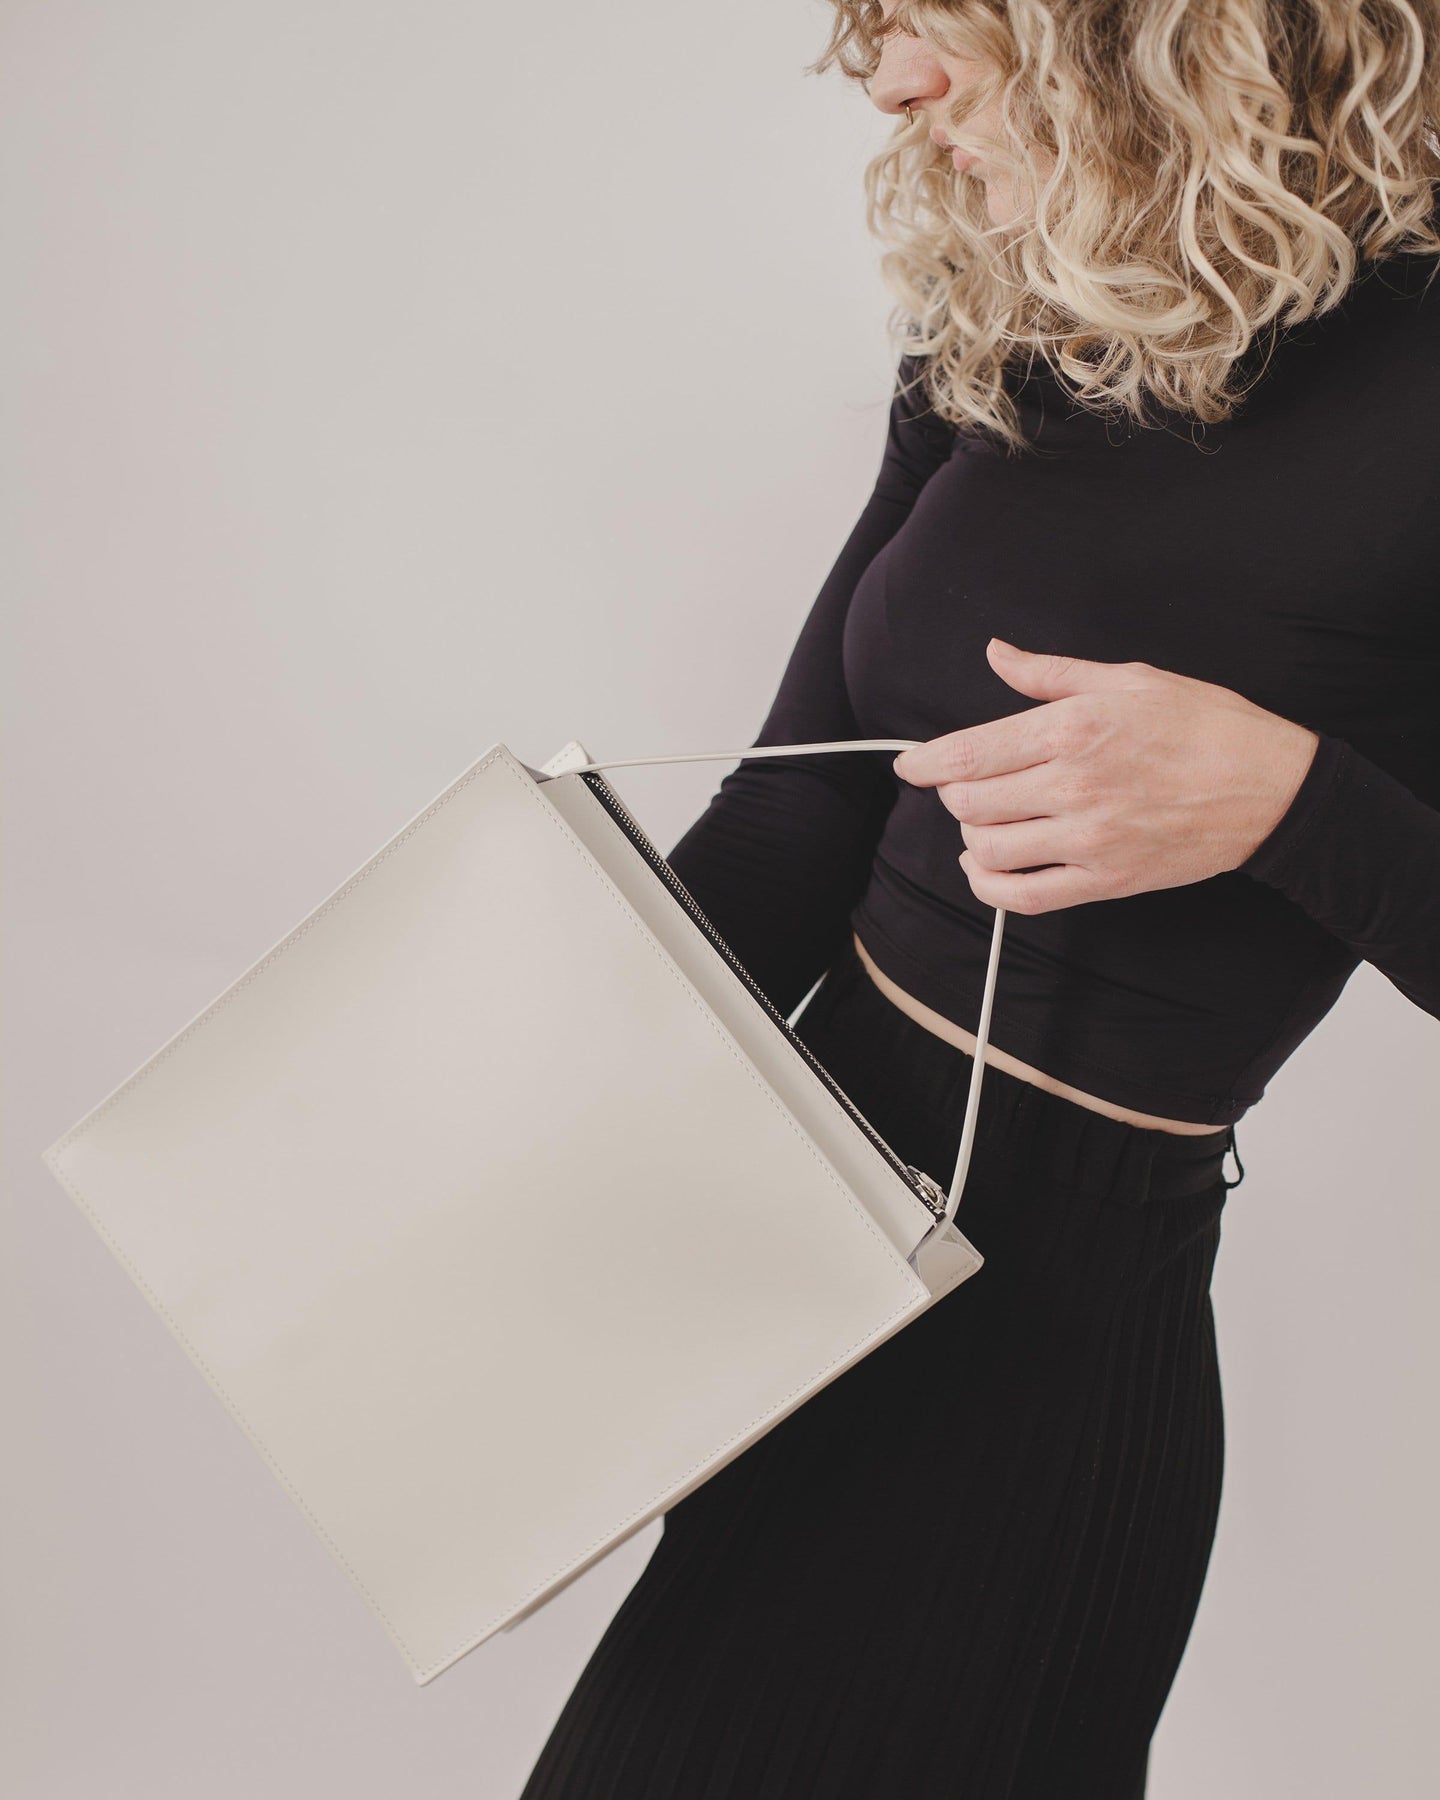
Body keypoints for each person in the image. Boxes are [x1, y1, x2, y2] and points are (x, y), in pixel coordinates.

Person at [518, 2, 1440, 1793]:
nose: (888, 80)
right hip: (802, 1283)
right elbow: (800, 818)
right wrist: (514, 1065)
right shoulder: (1019, 299)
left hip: (1040, 1366)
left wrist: (1288, 802)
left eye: (938, 19)